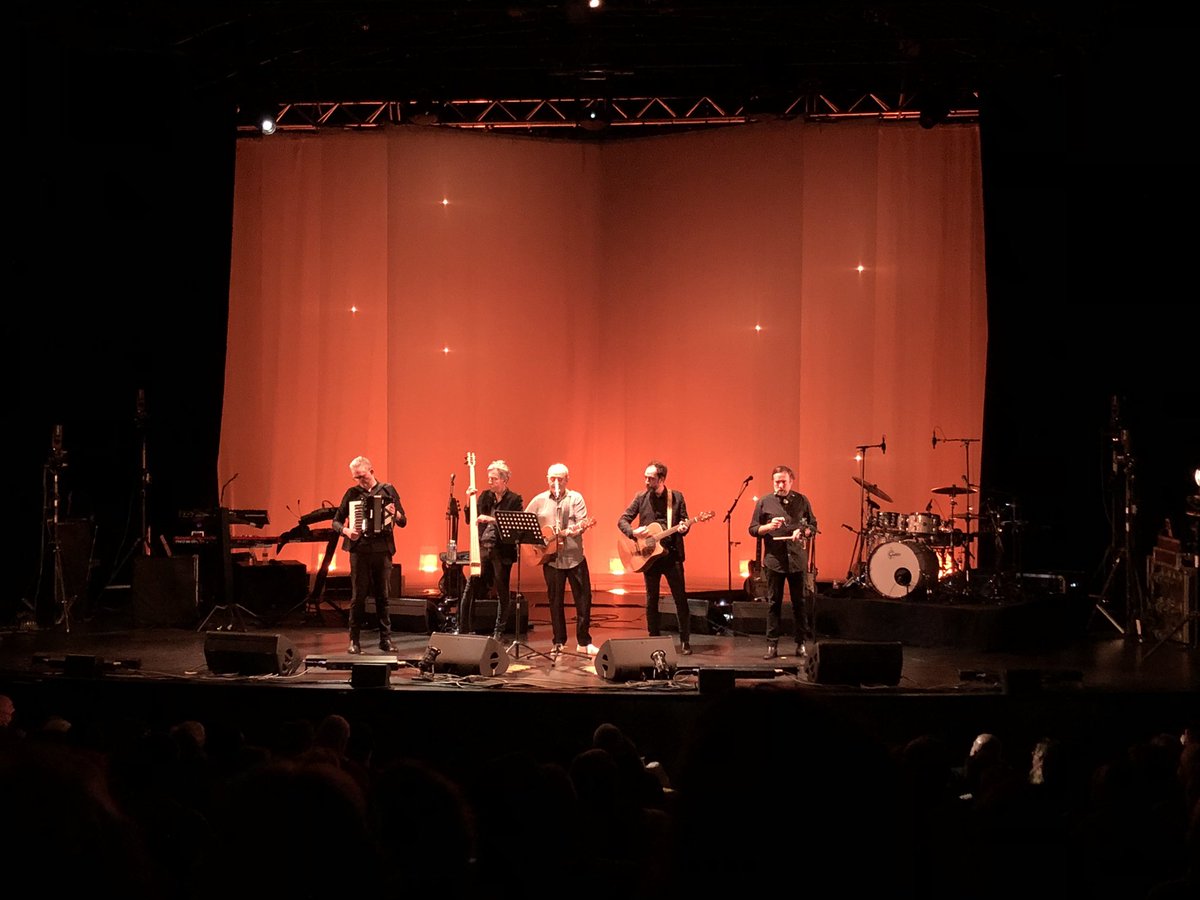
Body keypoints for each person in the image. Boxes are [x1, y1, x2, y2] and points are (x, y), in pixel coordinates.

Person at [618, 460, 693, 655]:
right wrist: (634, 532)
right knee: (651, 600)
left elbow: (684, 521)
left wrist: (685, 527)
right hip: (649, 557)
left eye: (650, 478)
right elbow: (623, 520)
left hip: (672, 556)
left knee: (680, 599)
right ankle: (653, 639)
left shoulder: (676, 497)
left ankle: (685, 640)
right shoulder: (640, 497)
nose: (646, 481)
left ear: (662, 479)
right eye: (645, 477)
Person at [333, 455, 406, 654]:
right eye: (356, 477)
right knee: (358, 596)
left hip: (382, 549)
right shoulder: (352, 493)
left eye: (362, 476)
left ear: (371, 471)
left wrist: (394, 513)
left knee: (383, 596)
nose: (359, 481)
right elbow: (336, 522)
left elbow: (403, 520)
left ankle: (386, 640)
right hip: (360, 550)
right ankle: (353, 641)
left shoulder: (388, 490)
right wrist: (347, 532)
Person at [525, 463, 595, 655]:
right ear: (547, 479)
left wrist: (574, 529)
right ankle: (558, 641)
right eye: (552, 479)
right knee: (555, 601)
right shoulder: (539, 501)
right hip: (551, 558)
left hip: (574, 557)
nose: (556, 482)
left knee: (583, 599)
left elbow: (582, 523)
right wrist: (540, 541)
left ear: (567, 480)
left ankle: (583, 641)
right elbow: (525, 524)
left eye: (560, 479)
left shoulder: (575, 498)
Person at [748, 464, 816, 659]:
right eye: (777, 481)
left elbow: (813, 525)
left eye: (783, 481)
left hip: (796, 559)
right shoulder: (764, 502)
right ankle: (772, 645)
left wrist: (802, 531)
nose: (780, 485)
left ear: (791, 481)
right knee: (773, 603)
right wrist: (768, 526)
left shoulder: (802, 500)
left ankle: (801, 643)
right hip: (774, 560)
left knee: (799, 602)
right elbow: (753, 529)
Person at [466, 459, 524, 640]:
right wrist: (469, 500)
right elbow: (471, 519)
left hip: (502, 550)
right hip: (484, 547)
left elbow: (516, 525)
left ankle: (498, 631)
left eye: (494, 479)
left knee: (502, 590)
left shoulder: (514, 500)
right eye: (489, 479)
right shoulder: (484, 496)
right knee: (471, 587)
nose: (490, 482)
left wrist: (492, 520)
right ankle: (465, 627)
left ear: (504, 480)